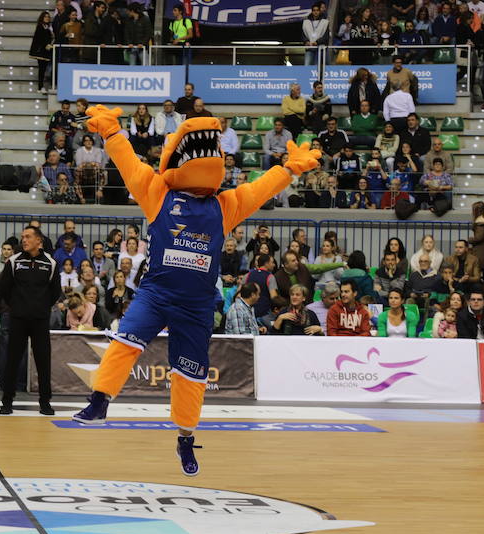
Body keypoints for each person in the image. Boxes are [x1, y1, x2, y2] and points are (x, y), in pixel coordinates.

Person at [72, 105, 321, 476]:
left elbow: (260, 189)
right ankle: (99, 400)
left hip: (197, 305)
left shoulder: (225, 206)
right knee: (125, 341)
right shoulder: (157, 193)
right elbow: (128, 163)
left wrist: (288, 169)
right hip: (156, 293)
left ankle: (185, 439)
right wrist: (110, 133)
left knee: (191, 377)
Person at [0, 225, 62, 415]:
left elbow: (55, 292)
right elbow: (2, 288)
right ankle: (7, 401)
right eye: (22, 237)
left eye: (28, 237)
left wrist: (41, 307)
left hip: (40, 319)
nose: (24, 240)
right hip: (17, 318)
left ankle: (45, 402)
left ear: (38, 241)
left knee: (43, 361)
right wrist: (11, 307)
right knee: (13, 360)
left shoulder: (50, 263)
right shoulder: (14, 261)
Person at [30, 11, 54, 93]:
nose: (47, 18)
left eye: (48, 17)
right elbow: (39, 39)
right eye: (45, 17)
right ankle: (40, 87)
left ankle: (41, 87)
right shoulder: (40, 27)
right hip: (41, 51)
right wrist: (45, 44)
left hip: (47, 51)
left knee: (43, 69)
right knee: (42, 69)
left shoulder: (49, 27)